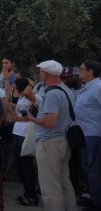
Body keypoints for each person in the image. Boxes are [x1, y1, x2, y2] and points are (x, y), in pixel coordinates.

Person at [26, 60, 76, 210]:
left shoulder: (53, 93)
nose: (40, 74)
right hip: (62, 140)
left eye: (41, 71)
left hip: (50, 143)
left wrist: (32, 118)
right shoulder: (65, 90)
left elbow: (50, 122)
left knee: (50, 187)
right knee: (64, 182)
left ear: (45, 74)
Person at [8, 77, 41, 206]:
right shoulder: (22, 97)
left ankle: (31, 194)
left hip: (25, 133)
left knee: (26, 165)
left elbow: (30, 115)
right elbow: (17, 112)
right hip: (17, 131)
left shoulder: (33, 96)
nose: (13, 86)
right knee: (19, 164)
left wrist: (31, 83)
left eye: (15, 84)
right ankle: (26, 191)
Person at [75, 60, 101, 211]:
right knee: (87, 167)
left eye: (81, 69)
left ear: (91, 72)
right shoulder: (88, 87)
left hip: (95, 133)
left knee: (94, 168)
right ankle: (93, 196)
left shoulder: (98, 87)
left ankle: (97, 202)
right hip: (85, 133)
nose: (79, 71)